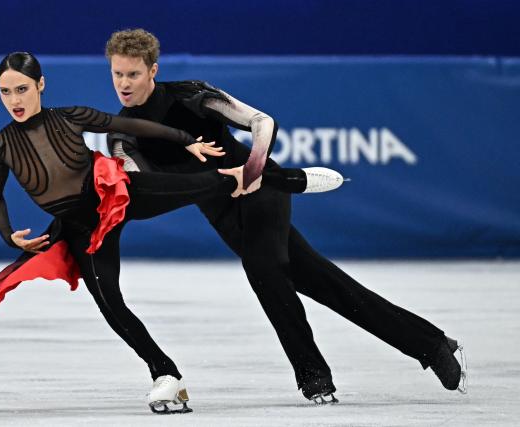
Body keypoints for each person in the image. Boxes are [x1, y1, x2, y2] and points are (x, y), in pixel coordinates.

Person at [0, 51, 343, 414]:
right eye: (6, 92)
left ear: (40, 85)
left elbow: (135, 128)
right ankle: (165, 374)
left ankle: (292, 180)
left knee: (204, 181)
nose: (15, 99)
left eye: (22, 89)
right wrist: (9, 235)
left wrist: (187, 143)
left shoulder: (70, 117)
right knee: (110, 303)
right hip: (81, 227)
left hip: (114, 194)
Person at [103, 29, 467, 404]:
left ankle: (314, 377)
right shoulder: (124, 134)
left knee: (264, 271)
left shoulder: (189, 95)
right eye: (117, 74)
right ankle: (434, 345)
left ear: (152, 71)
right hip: (221, 209)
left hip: (263, 189)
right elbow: (139, 183)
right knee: (326, 284)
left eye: (133, 74)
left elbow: (262, 122)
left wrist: (253, 171)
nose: (124, 84)